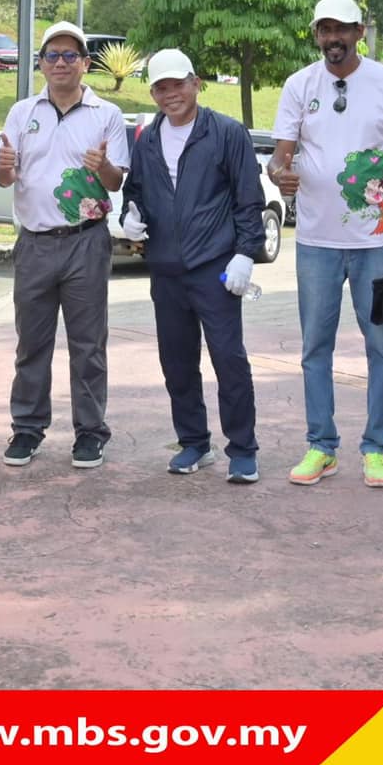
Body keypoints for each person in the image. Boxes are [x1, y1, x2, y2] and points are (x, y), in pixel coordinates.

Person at [268, 0, 383, 488]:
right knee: (316, 347)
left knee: (381, 345)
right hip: (316, 240)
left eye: (343, 29)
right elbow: (280, 157)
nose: (333, 38)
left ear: (360, 32)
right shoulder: (299, 85)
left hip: (377, 239)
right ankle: (322, 446)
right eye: (324, 29)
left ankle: (376, 448)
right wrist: (279, 175)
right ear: (316, 34)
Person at [120, 49, 264, 483]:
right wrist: (129, 214)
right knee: (177, 362)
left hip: (214, 267)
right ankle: (194, 443)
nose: (171, 94)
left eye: (178, 84)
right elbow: (137, 190)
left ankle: (242, 449)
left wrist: (245, 252)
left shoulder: (226, 133)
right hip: (166, 269)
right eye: (161, 87)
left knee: (228, 359)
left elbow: (248, 199)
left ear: (196, 83)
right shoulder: (147, 138)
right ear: (153, 92)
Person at [0, 21, 130, 469]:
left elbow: (114, 182)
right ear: (41, 63)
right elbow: (5, 177)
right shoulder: (21, 112)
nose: (60, 63)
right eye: (52, 55)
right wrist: (3, 169)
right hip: (34, 242)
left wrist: (104, 166)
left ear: (86, 64)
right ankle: (28, 429)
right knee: (31, 343)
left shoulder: (105, 114)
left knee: (88, 344)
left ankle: (90, 433)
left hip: (85, 242)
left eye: (70, 56)